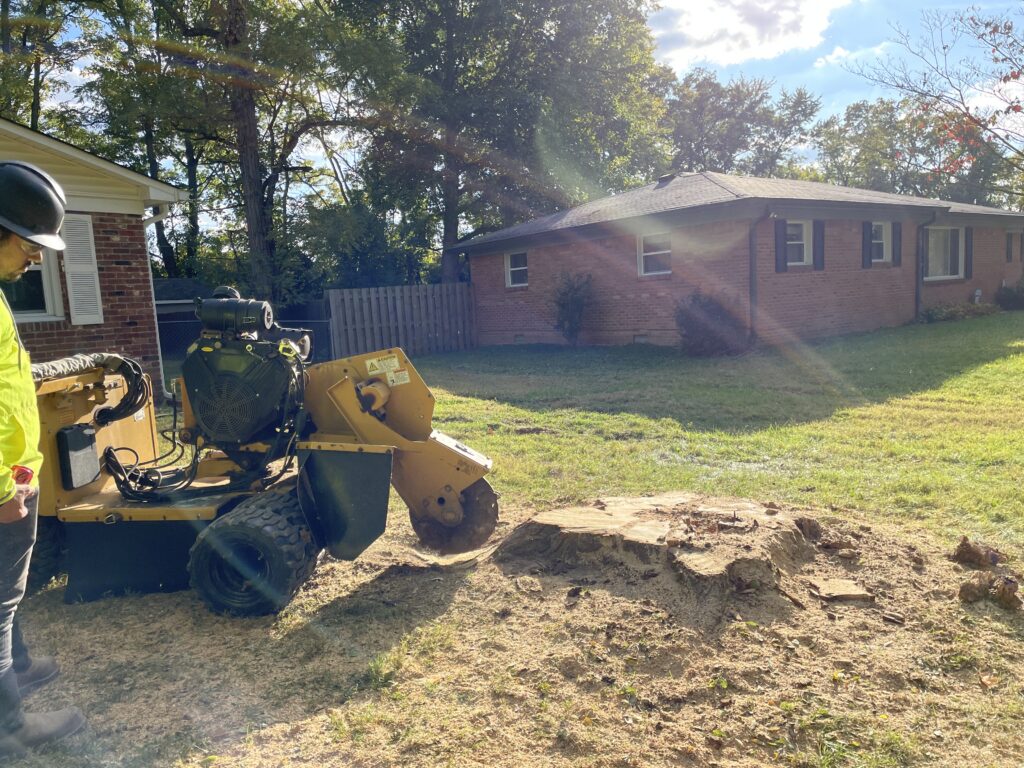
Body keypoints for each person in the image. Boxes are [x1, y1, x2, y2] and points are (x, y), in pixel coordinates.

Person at [0, 161, 86, 757]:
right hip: (3, 490)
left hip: (14, 480)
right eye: (29, 245)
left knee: (9, 591)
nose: (34, 259)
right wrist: (6, 488)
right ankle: (9, 728)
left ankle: (19, 666)